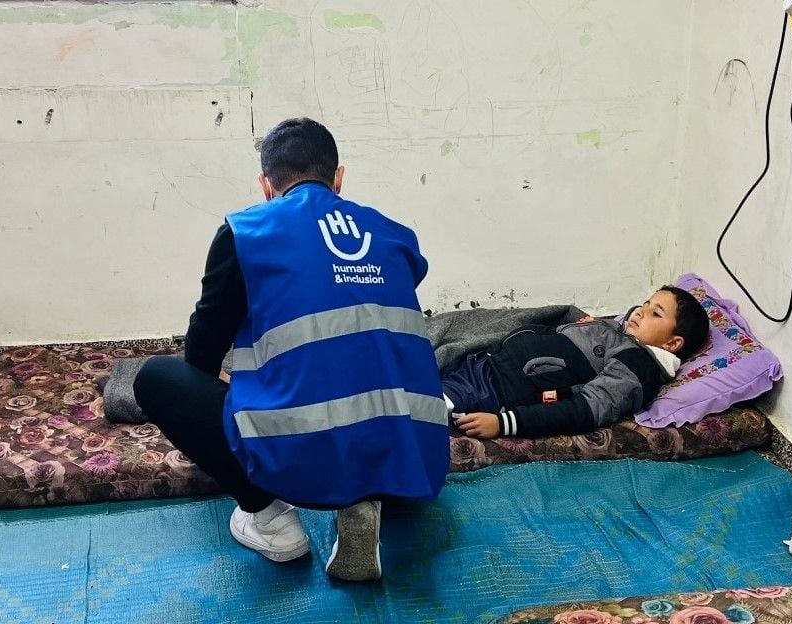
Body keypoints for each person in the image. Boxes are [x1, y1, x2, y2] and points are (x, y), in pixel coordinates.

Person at [132, 118, 448, 581]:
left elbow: (201, 356)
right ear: (339, 177)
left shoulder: (246, 232)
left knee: (157, 379)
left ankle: (272, 521)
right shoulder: (395, 234)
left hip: (302, 465)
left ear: (266, 185)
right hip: (416, 459)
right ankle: (368, 495)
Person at [445, 286, 709, 439]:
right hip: (482, 362)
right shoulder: (618, 334)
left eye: (656, 313)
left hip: (492, 391)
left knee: (427, 406)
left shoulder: (639, 364)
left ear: (672, 343)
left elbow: (586, 409)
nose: (641, 311)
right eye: (646, 303)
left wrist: (504, 423)